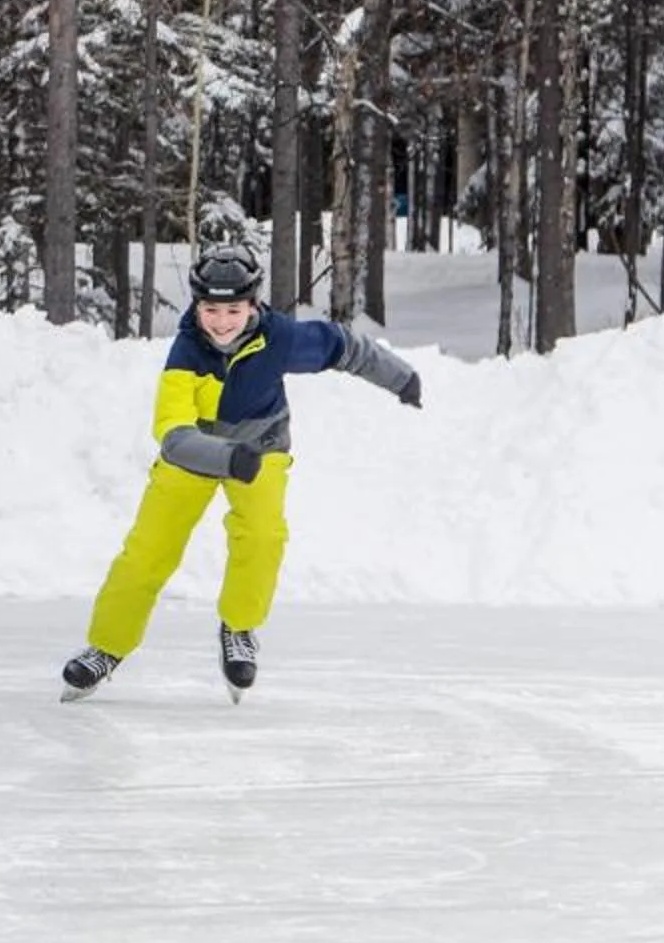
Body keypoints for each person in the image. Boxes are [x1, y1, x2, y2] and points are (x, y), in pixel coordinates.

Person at [60, 240, 424, 704]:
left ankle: (239, 628)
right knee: (147, 552)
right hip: (193, 456)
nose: (221, 322)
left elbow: (345, 347)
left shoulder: (280, 339)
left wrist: (402, 378)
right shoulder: (185, 354)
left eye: (233, 310)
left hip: (262, 446)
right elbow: (173, 435)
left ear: (253, 305)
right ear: (197, 306)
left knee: (263, 535)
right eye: (211, 310)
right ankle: (106, 647)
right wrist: (229, 457)